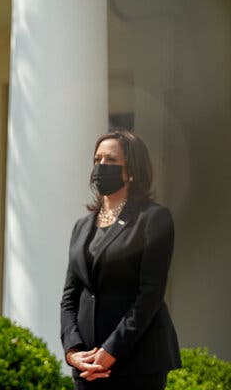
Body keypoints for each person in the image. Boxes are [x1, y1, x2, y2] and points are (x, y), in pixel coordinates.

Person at [60, 129, 181, 390]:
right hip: (87, 366)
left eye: (111, 160)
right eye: (97, 160)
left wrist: (110, 351)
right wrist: (73, 351)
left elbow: (150, 294)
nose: (101, 166)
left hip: (138, 363)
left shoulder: (153, 219)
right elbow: (70, 296)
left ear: (132, 170)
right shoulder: (82, 227)